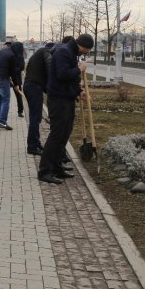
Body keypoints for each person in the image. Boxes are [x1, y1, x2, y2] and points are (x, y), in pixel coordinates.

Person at [38, 34, 94, 184]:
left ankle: (57, 167)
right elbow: (62, 75)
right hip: (58, 100)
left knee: (64, 134)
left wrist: (79, 92)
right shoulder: (64, 52)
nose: (85, 53)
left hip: (67, 99)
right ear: (81, 45)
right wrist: (79, 69)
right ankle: (45, 171)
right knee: (56, 135)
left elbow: (70, 80)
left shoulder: (71, 53)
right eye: (86, 50)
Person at [23, 42, 54, 155]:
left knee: (35, 118)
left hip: (31, 86)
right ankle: (32, 147)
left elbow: (42, 76)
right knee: (35, 118)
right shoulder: (45, 52)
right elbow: (50, 67)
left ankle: (36, 144)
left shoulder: (37, 55)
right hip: (34, 87)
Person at [0, 42, 21, 130]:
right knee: (5, 100)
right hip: (2, 79)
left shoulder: (2, 51)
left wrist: (8, 76)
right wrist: (16, 85)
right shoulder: (12, 55)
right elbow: (13, 72)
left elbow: (0, 65)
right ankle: (2, 122)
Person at [10, 42, 26, 117]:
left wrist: (13, 70)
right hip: (15, 78)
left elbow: (22, 67)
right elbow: (22, 67)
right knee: (18, 95)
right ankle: (20, 111)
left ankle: (20, 111)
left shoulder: (14, 55)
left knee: (18, 95)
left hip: (12, 77)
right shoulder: (19, 56)